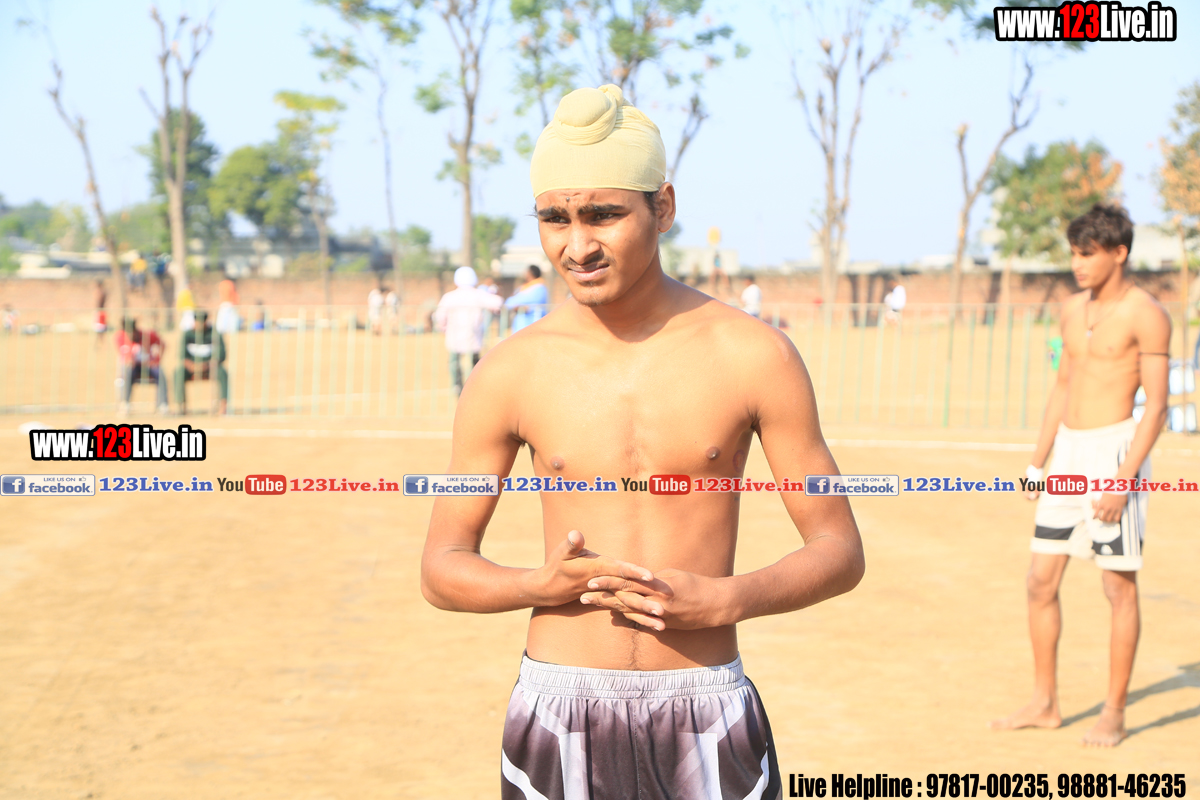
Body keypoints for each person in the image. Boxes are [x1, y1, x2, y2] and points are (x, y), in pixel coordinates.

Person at [421, 84, 864, 799]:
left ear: (662, 207)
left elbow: (839, 549)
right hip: (558, 712)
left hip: (706, 710)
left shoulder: (754, 355)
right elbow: (442, 567)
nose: (577, 246)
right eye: (555, 219)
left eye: (603, 214)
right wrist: (536, 585)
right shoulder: (508, 371)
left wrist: (725, 599)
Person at [990, 204, 1170, 747]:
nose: (1078, 264)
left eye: (1088, 254)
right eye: (1073, 253)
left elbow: (1157, 407)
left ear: (1119, 253)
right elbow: (1062, 387)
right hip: (1066, 454)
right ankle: (1045, 703)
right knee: (1039, 581)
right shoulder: (1070, 310)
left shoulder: (1147, 314)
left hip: (1115, 455)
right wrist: (1036, 462)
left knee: (1117, 587)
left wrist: (1123, 480)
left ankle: (1114, 712)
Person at [432, 266, 503, 396]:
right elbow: (498, 302)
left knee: (454, 362)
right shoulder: (478, 295)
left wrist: (443, 327)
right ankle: (474, 388)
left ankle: (457, 386)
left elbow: (440, 316)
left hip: (454, 337)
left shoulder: (449, 297)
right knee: (474, 363)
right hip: (473, 337)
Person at [175, 309, 229, 415]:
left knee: (222, 372)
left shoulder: (214, 334)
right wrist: (192, 366)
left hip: (210, 367)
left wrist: (207, 365)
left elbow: (221, 355)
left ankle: (223, 407)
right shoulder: (187, 334)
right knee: (179, 372)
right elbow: (182, 356)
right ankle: (181, 407)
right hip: (191, 367)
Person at [115, 316, 168, 415]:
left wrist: (157, 360)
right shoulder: (121, 337)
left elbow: (163, 344)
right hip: (134, 367)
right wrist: (130, 359)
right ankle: (125, 404)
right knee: (126, 372)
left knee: (160, 373)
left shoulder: (147, 335)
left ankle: (162, 405)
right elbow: (125, 357)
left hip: (149, 365)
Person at [504, 264, 550, 333]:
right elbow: (509, 303)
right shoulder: (525, 287)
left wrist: (519, 306)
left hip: (532, 326)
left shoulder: (538, 288)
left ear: (530, 273)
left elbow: (512, 302)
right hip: (521, 327)